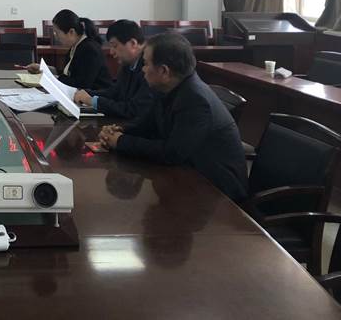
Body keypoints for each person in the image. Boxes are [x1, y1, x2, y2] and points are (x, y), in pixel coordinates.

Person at [98, 32, 248, 203]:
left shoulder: (195, 100)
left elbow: (172, 153)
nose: (142, 69)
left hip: (218, 192)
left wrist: (120, 141)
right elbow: (148, 125)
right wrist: (119, 130)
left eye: (145, 64)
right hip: (189, 174)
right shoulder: (168, 87)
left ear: (164, 71)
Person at [74, 19, 155, 120]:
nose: (111, 52)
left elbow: (134, 110)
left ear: (133, 43)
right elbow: (115, 92)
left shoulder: (151, 67)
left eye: (115, 46)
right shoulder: (128, 63)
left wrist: (92, 101)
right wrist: (86, 93)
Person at [22, 9, 112, 90]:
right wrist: (43, 69)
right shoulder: (76, 46)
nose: (56, 37)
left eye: (57, 33)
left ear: (71, 32)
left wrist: (54, 79)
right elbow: (68, 74)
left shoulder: (90, 49)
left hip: (95, 98)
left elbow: (82, 84)